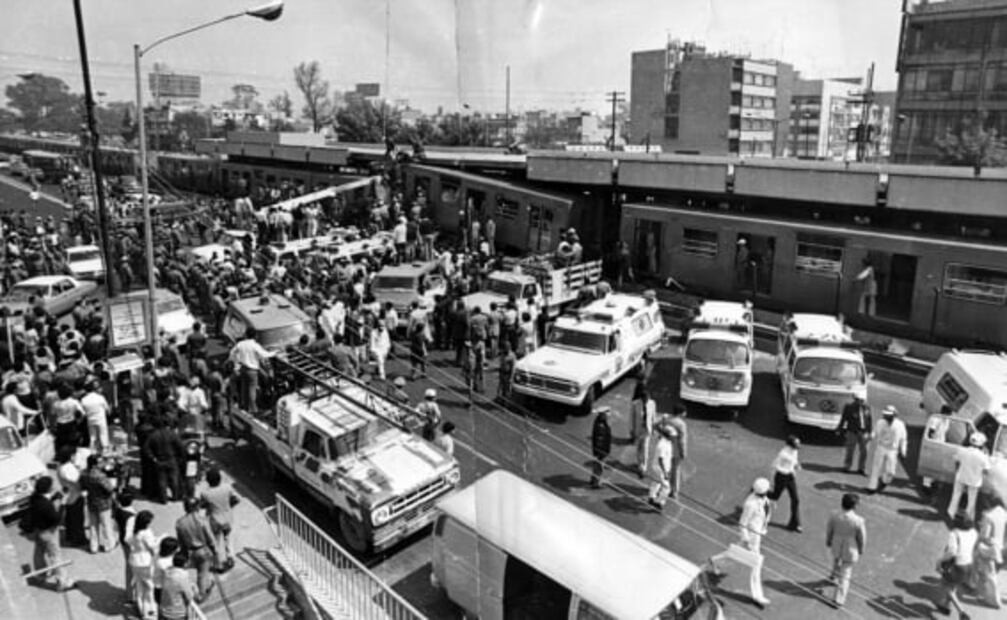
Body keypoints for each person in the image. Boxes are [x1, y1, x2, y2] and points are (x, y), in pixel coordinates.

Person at [709, 477, 773, 608]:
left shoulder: (764, 499)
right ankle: (757, 595)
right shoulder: (751, 504)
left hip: (757, 535)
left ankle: (715, 560)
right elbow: (742, 523)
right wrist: (746, 539)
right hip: (751, 538)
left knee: (735, 553)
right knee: (756, 564)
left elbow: (765, 514)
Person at [27, 476, 76, 592]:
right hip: (49, 532)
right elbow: (57, 519)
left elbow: (46, 502)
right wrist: (62, 504)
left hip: (38, 530)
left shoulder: (34, 498)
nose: (54, 486)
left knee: (39, 553)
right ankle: (62, 582)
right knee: (55, 556)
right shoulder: (46, 505)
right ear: (48, 488)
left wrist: (55, 497)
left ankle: (40, 575)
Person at [824, 493, 866, 608]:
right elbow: (861, 537)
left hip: (837, 544)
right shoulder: (858, 520)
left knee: (836, 560)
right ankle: (838, 599)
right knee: (845, 573)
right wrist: (861, 549)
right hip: (850, 548)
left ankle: (833, 576)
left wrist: (828, 540)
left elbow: (829, 529)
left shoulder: (834, 515)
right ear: (854, 506)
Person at [175, 496, 217, 601]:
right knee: (202, 574)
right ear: (197, 507)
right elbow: (210, 538)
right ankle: (201, 595)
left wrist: (184, 553)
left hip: (190, 552)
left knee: (197, 572)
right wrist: (215, 550)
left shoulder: (179, 523)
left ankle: (199, 588)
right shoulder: (202, 520)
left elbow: (180, 541)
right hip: (203, 550)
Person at [198, 467, 240, 572]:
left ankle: (218, 564)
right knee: (228, 539)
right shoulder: (227, 488)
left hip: (214, 521)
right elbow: (236, 499)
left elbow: (202, 506)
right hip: (228, 518)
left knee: (215, 542)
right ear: (220, 479)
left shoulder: (205, 493)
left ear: (208, 481)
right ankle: (230, 558)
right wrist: (228, 506)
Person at [936, 514, 978, 616]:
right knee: (953, 585)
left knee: (945, 585)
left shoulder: (954, 534)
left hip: (958, 566)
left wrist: (940, 561)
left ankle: (962, 612)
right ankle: (945, 606)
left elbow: (952, 552)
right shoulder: (974, 532)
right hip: (969, 564)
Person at [227, 327, 274, 412]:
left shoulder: (240, 344)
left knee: (244, 388)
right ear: (255, 336)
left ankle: (243, 404)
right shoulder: (254, 345)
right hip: (252, 371)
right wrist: (274, 353)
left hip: (243, 369)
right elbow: (264, 356)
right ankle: (253, 409)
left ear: (246, 335)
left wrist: (235, 366)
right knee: (252, 389)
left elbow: (232, 354)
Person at [947, 432, 991, 521]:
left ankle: (951, 513)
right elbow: (986, 471)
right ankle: (968, 518)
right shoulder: (983, 457)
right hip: (974, 481)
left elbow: (956, 461)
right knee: (971, 500)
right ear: (982, 445)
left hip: (961, 476)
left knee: (956, 495)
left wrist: (958, 470)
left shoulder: (962, 451)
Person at [81, 453, 118, 553]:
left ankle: (93, 546)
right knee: (106, 525)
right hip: (103, 503)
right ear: (95, 464)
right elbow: (109, 488)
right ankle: (109, 545)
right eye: (100, 462)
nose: (102, 463)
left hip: (91, 501)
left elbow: (83, 486)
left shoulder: (84, 473)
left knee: (93, 525)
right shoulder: (100, 476)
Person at [867, 405, 907, 494]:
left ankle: (884, 482)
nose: (886, 417)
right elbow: (875, 431)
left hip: (893, 450)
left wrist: (903, 451)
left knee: (891, 471)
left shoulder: (900, 425)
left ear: (894, 415)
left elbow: (903, 439)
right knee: (876, 468)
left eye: (889, 416)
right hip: (881, 447)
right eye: (886, 415)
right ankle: (871, 487)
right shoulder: (880, 422)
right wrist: (871, 436)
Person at [768, 435, 803, 533]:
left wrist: (796, 465)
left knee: (795, 499)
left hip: (790, 476)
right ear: (791, 445)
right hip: (781, 477)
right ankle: (759, 492)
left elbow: (794, 460)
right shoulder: (783, 454)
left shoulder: (795, 451)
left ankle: (795, 523)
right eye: (797, 444)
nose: (799, 445)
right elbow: (774, 465)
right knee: (775, 496)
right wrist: (772, 481)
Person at [976, 497, 1006, 609]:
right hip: (1002, 547)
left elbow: (984, 536)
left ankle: (993, 601)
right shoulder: (1004, 514)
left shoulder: (988, 516)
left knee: (990, 574)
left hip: (990, 548)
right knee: (995, 572)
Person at [128, 510, 159, 618]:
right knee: (150, 587)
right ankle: (150, 610)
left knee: (139, 586)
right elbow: (152, 548)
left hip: (134, 560)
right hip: (145, 562)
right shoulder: (146, 533)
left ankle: (141, 609)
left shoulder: (135, 531)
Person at [55, 445, 87, 547]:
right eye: (74, 455)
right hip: (75, 496)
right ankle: (78, 539)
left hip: (69, 495)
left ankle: (70, 536)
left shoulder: (61, 466)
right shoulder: (68, 468)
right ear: (70, 456)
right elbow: (77, 482)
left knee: (70, 517)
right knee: (77, 519)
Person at [838, 395, 873, 475]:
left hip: (864, 432)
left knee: (864, 451)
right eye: (860, 401)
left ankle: (861, 468)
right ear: (856, 400)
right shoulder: (849, 407)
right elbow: (844, 419)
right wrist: (840, 428)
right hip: (852, 432)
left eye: (863, 401)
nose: (862, 402)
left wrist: (870, 432)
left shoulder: (867, 408)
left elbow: (869, 420)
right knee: (850, 450)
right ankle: (847, 466)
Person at [159, 552, 197, 620]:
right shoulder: (183, 575)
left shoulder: (166, 572)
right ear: (185, 563)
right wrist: (194, 588)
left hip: (164, 610)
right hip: (177, 613)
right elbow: (189, 595)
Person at [631, 383, 657, 478]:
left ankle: (644, 466)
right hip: (638, 429)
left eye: (648, 399)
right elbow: (632, 418)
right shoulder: (635, 404)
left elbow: (653, 416)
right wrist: (631, 430)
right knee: (639, 448)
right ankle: (639, 464)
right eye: (645, 399)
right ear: (641, 399)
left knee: (645, 448)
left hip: (647, 430)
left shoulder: (652, 403)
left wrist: (654, 428)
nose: (646, 401)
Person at [647, 424, 676, 509]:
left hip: (660, 467)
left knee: (656, 482)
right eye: (672, 435)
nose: (674, 437)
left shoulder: (667, 442)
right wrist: (665, 472)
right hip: (660, 468)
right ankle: (658, 502)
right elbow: (660, 459)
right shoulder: (662, 445)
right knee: (667, 487)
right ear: (668, 435)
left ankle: (651, 496)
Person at [81, 378, 112, 453]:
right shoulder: (100, 397)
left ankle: (93, 450)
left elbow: (83, 412)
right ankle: (105, 448)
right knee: (103, 433)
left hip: (90, 419)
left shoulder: (83, 399)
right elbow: (107, 409)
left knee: (93, 435)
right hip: (101, 419)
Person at [666, 404, 688, 498]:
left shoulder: (667, 419)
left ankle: (665, 487)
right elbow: (682, 440)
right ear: (680, 413)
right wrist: (683, 452)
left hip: (666, 448)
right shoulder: (681, 424)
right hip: (676, 450)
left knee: (666, 469)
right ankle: (674, 491)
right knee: (675, 471)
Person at [589, 407, 612, 489]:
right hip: (601, 450)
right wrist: (602, 452)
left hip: (599, 449)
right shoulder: (601, 426)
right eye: (606, 415)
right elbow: (601, 439)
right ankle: (596, 483)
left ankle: (594, 479)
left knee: (597, 464)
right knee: (600, 466)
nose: (607, 416)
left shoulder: (599, 422)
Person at [153, 536, 180, 605]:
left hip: (158, 587)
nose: (178, 549)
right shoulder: (167, 563)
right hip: (165, 590)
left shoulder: (157, 556)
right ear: (172, 550)